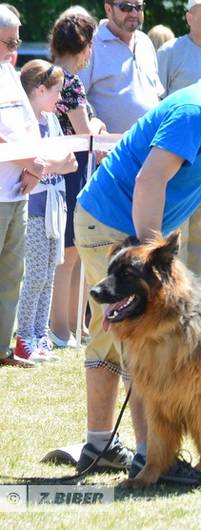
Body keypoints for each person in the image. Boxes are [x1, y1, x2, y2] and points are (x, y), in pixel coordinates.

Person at [73, 24, 201, 485]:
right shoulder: (196, 110)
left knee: (125, 337)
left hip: (138, 233)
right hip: (110, 223)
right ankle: (142, 456)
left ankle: (114, 448)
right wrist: (151, 258)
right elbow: (149, 180)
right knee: (132, 337)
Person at [0, 6, 74, 368]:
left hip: (19, 191)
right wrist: (33, 163)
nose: (15, 48)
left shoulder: (9, 73)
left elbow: (28, 127)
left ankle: (7, 347)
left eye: (17, 41)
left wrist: (35, 166)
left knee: (16, 274)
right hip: (9, 190)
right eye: (10, 42)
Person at [158, 0, 201, 282]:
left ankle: (195, 294)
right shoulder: (170, 51)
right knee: (176, 234)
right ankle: (172, 292)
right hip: (175, 156)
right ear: (189, 17)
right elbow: (156, 102)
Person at [15, 60, 78, 362]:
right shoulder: (24, 122)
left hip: (55, 205)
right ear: (40, 90)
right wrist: (47, 164)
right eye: (56, 91)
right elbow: (28, 163)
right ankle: (24, 336)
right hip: (35, 208)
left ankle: (40, 335)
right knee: (36, 275)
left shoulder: (52, 121)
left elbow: (71, 162)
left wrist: (44, 165)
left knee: (50, 273)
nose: (60, 98)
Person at [49, 7, 104, 348]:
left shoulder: (53, 77)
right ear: (84, 46)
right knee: (69, 253)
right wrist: (98, 124)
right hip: (72, 172)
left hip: (67, 171)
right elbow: (85, 132)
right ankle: (61, 328)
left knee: (72, 253)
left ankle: (72, 326)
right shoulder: (70, 82)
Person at [78, 0, 162, 134]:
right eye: (125, 7)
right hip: (108, 144)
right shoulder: (91, 44)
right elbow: (77, 98)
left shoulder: (145, 42)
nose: (134, 13)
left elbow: (155, 94)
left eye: (139, 7)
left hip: (149, 143)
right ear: (108, 9)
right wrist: (94, 127)